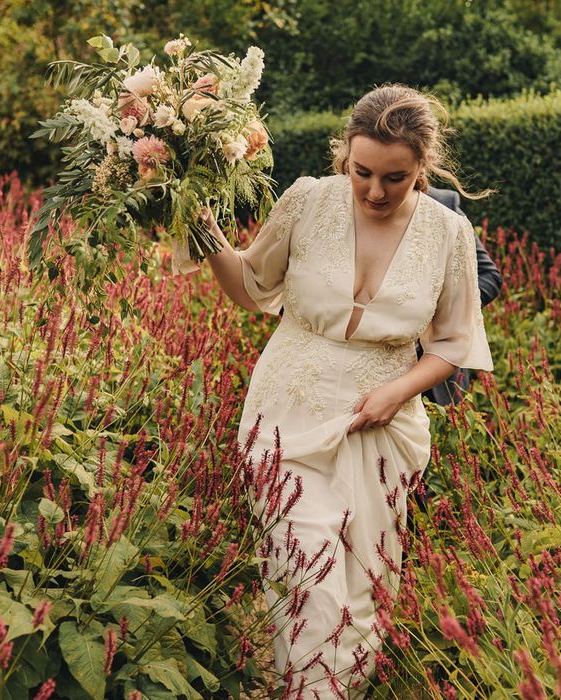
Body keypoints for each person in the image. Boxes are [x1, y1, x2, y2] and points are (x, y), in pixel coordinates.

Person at [174, 84, 493, 698]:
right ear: (343, 155)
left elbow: (454, 344)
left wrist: (398, 391)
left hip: (382, 426)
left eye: (395, 177)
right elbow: (252, 287)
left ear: (422, 166)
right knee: (305, 571)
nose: (374, 191)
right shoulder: (307, 201)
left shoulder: (448, 232)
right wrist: (207, 228)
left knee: (361, 586)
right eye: (361, 171)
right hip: (287, 409)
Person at [421, 186, 503, 406]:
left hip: (437, 380)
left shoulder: (442, 204)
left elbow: (488, 276)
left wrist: (434, 313)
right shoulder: (331, 206)